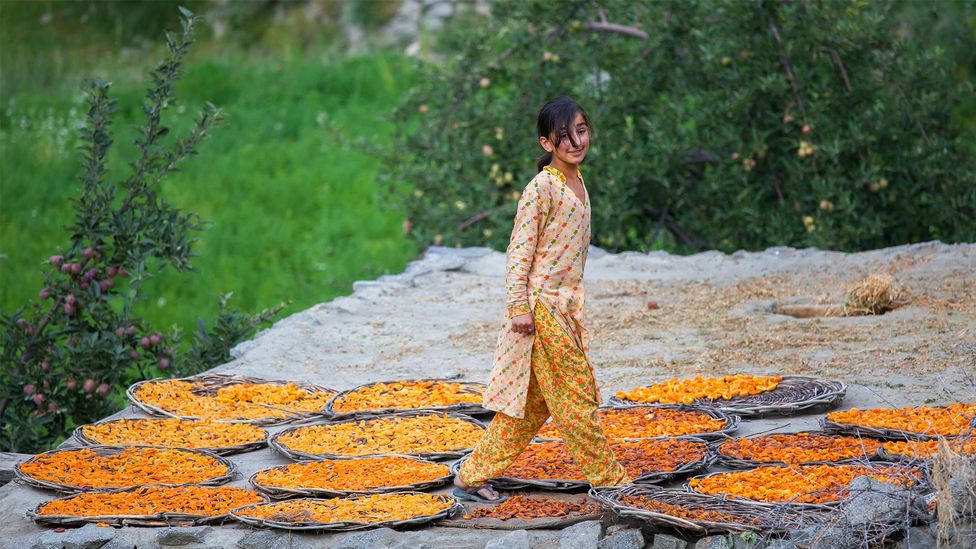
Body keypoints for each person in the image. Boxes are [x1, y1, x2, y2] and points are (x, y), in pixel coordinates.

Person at [453, 96, 630, 503]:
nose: (575, 141)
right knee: (576, 397)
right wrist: (518, 308)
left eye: (581, 131)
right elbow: (519, 251)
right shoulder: (541, 189)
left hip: (567, 309)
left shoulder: (579, 182)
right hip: (541, 309)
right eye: (564, 136)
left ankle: (471, 474)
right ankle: (610, 480)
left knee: (531, 408)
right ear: (546, 143)